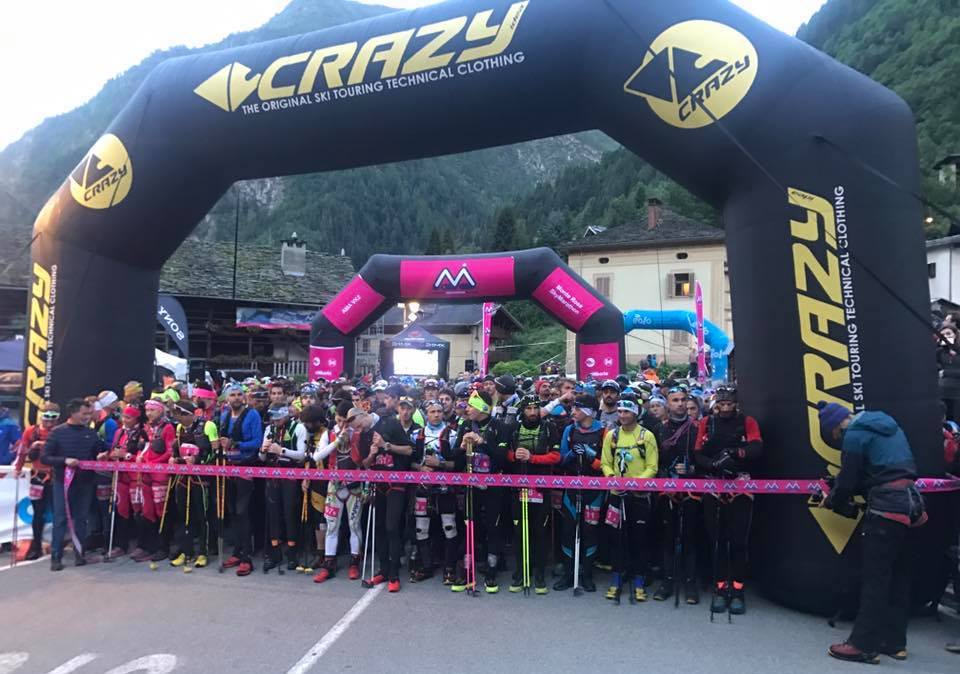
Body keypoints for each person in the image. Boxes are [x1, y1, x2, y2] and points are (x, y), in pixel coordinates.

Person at [817, 402, 927, 664]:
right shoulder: (889, 424)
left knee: (875, 581)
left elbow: (849, 481)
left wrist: (831, 499)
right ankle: (895, 643)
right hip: (912, 504)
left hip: (886, 510)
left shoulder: (854, 436)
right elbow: (885, 471)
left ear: (835, 428)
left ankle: (862, 645)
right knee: (899, 577)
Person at [695, 385, 763, 616]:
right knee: (717, 540)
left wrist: (735, 453)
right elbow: (697, 453)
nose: (725, 408)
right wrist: (713, 464)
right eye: (722, 404)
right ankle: (720, 587)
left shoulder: (747, 421)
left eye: (729, 404)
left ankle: (738, 589)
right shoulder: (707, 422)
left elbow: (757, 447)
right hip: (714, 485)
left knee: (738, 541)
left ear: (736, 404)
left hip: (740, 486)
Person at [451, 390, 511, 593]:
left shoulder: (500, 426)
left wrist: (483, 442)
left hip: (493, 485)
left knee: (493, 527)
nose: (467, 409)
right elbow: (455, 460)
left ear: (483, 408)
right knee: (469, 525)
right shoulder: (465, 425)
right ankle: (466, 570)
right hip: (471, 484)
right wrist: (461, 447)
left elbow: (502, 458)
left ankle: (491, 570)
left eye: (471, 405)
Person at [600, 399, 658, 602]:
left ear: (635, 413)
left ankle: (639, 582)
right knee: (616, 540)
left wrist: (634, 484)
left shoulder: (646, 435)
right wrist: (612, 479)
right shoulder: (612, 435)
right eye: (620, 411)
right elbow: (606, 463)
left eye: (627, 411)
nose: (622, 415)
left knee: (639, 540)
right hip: (617, 495)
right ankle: (616, 581)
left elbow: (652, 467)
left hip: (639, 496)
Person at [363, 397, 418, 592]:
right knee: (379, 528)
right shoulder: (367, 432)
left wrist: (386, 445)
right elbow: (365, 464)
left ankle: (394, 573)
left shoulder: (394, 426)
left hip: (396, 485)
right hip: (378, 485)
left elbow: (409, 450)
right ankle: (383, 569)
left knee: (392, 527)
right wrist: (372, 453)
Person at [507, 395, 560, 594]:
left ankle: (539, 573)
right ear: (522, 411)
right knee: (519, 532)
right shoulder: (513, 428)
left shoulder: (549, 427)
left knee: (540, 531)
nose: (532, 412)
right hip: (517, 488)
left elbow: (556, 456)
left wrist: (533, 458)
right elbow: (504, 454)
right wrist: (514, 455)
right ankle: (521, 572)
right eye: (528, 409)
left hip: (541, 488)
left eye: (535, 408)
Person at [41, 398, 101, 571]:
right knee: (60, 519)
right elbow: (45, 457)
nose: (87, 417)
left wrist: (104, 455)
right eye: (84, 413)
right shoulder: (57, 432)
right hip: (62, 483)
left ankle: (80, 554)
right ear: (73, 413)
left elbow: (98, 451)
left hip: (85, 483)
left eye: (89, 413)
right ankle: (56, 557)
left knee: (81, 519)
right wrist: (64, 460)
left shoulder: (91, 433)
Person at [654, 387, 701, 604]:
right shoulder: (659, 429)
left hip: (692, 489)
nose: (680, 404)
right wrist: (664, 476)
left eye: (683, 400)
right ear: (668, 403)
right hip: (667, 490)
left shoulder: (697, 428)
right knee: (668, 536)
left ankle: (690, 583)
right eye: (675, 400)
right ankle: (667, 581)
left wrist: (692, 469)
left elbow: (705, 457)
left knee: (690, 536)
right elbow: (654, 460)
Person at [555, 395, 605, 593]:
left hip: (594, 489)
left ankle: (587, 574)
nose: (573, 412)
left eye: (577, 409)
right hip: (572, 486)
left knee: (590, 531)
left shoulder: (604, 431)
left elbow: (606, 465)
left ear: (589, 411)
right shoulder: (570, 429)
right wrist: (572, 454)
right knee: (568, 530)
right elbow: (561, 459)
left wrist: (590, 455)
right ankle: (569, 573)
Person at [310, 401, 363, 583]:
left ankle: (354, 562)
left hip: (355, 486)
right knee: (332, 526)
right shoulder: (329, 433)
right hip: (334, 485)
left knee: (354, 525)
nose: (342, 425)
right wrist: (337, 441)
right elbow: (317, 456)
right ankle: (329, 563)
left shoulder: (358, 433)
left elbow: (364, 461)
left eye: (346, 422)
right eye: (339, 420)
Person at [410, 399, 458, 584]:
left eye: (439, 411)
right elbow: (410, 462)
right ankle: (426, 566)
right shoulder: (417, 434)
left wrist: (440, 464)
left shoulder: (452, 434)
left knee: (449, 527)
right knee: (421, 528)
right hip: (423, 487)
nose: (436, 414)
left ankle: (449, 569)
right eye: (432, 411)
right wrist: (420, 468)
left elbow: (457, 464)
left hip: (445, 487)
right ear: (426, 414)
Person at [219, 383, 264, 576]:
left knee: (242, 511)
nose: (236, 398)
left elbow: (258, 441)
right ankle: (237, 551)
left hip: (246, 467)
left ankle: (247, 557)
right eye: (233, 395)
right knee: (232, 512)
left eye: (239, 394)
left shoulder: (252, 415)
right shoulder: (224, 416)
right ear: (227, 398)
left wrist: (236, 443)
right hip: (228, 467)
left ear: (244, 397)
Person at [168, 401, 218, 569]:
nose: (178, 418)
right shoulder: (179, 428)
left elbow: (215, 453)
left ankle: (203, 552)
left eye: (180, 415)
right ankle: (186, 551)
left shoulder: (208, 426)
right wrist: (175, 458)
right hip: (183, 478)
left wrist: (198, 460)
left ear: (190, 414)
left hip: (201, 478)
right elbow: (178, 450)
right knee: (184, 515)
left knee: (202, 515)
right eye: (176, 415)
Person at [259, 403, 307, 573]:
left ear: (286, 415)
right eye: (273, 417)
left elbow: (302, 455)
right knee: (273, 514)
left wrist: (282, 450)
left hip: (290, 477)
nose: (275, 420)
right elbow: (261, 457)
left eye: (278, 417)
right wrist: (263, 450)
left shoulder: (298, 428)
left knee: (289, 513)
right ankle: (274, 553)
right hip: (272, 477)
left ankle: (292, 553)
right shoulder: (269, 429)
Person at [13, 402, 59, 559]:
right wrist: (18, 468)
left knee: (59, 513)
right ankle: (36, 546)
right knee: (38, 513)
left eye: (53, 417)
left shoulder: (60, 431)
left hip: (56, 476)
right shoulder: (31, 431)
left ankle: (57, 545)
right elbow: (22, 450)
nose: (49, 420)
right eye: (46, 416)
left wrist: (41, 444)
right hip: (37, 476)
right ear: (41, 415)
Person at [102, 406, 148, 559]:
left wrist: (127, 455)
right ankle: (121, 545)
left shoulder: (143, 432)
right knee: (121, 510)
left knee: (138, 511)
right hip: (120, 476)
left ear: (136, 419)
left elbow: (144, 456)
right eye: (123, 417)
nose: (124, 420)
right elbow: (114, 450)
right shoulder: (119, 432)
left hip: (136, 476)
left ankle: (142, 545)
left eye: (128, 418)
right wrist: (109, 455)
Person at [134, 399, 175, 563]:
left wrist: (153, 463)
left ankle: (163, 547)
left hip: (160, 477)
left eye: (152, 410)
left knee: (161, 511)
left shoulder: (168, 428)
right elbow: (143, 448)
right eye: (147, 410)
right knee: (147, 511)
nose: (149, 413)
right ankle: (149, 546)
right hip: (145, 475)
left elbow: (170, 452)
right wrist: (139, 457)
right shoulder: (146, 428)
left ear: (161, 410)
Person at [938, 325, 960, 422]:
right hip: (942, 392)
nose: (946, 336)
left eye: (948, 334)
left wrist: (946, 372)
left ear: (955, 335)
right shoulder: (939, 352)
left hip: (957, 393)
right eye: (943, 335)